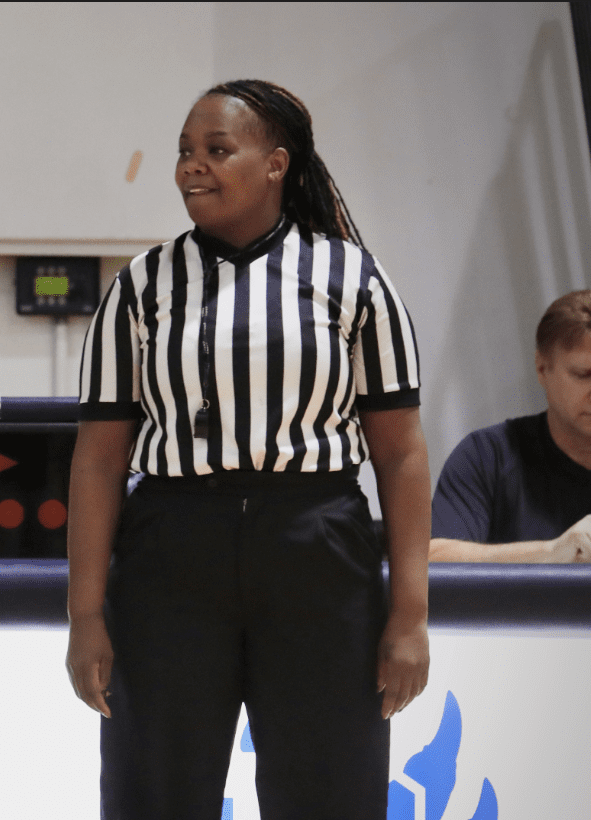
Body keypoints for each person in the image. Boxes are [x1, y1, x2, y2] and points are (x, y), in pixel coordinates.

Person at [67, 79, 431, 818]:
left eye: (217, 149)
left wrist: (410, 615)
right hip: (170, 546)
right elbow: (100, 459)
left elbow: (399, 454)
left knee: (328, 791)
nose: (191, 166)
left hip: (316, 542)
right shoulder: (140, 286)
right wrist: (85, 615)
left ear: (276, 164)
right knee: (154, 792)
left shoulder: (353, 277)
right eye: (184, 152)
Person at [430, 290, 591, 562]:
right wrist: (552, 553)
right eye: (583, 375)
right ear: (542, 368)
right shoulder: (487, 456)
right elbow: (436, 557)